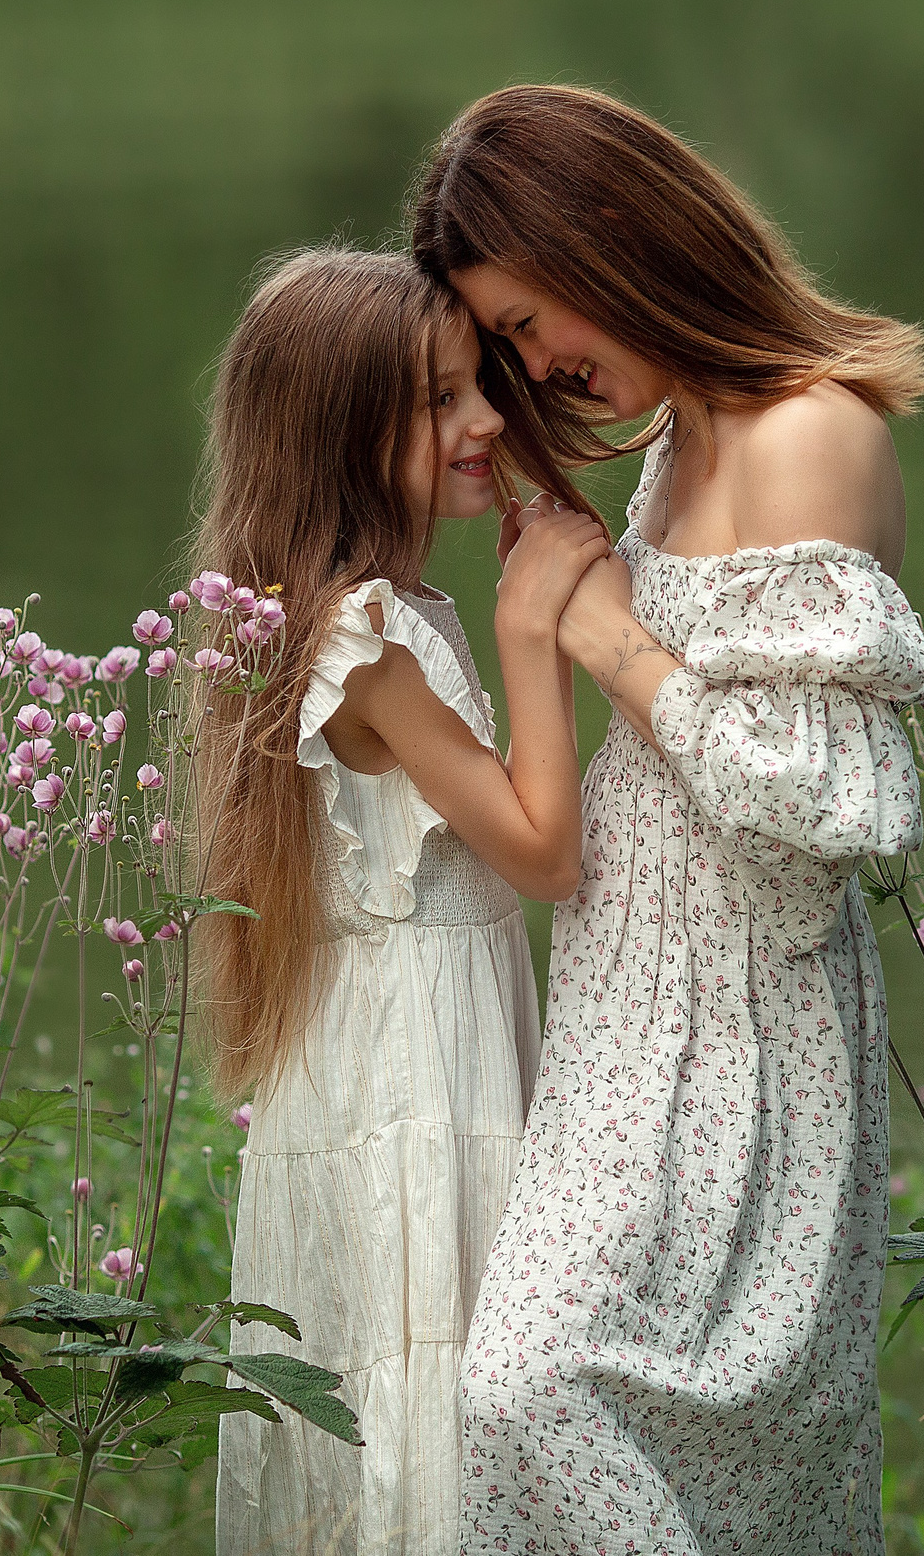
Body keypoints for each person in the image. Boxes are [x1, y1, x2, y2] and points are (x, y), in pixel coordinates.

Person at [411, 85, 924, 1553]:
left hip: (744, 1043)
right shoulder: (675, 451)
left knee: (531, 1389)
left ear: (615, 239)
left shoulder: (805, 439)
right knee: (558, 1421)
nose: (538, 366)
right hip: (622, 1019)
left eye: (528, 322)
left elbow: (826, 823)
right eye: (507, 346)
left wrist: (608, 642)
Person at [196, 247, 612, 1554]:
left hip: (391, 1053)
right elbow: (546, 853)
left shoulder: (340, 614)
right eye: (439, 401)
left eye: (476, 384)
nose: (486, 418)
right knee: (428, 1395)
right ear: (337, 437)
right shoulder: (372, 641)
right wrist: (531, 628)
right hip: (417, 1081)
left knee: (411, 1392)